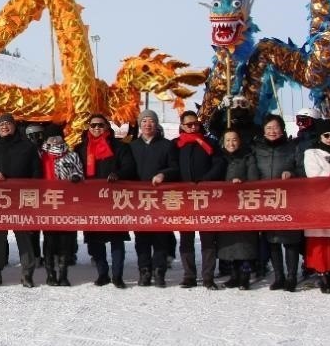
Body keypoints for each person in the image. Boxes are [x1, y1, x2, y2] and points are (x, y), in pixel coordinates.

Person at [76, 114, 136, 288]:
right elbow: (74, 167)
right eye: (93, 125)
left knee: (116, 239)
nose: (97, 128)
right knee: (95, 240)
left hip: (114, 200)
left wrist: (119, 175)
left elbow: (129, 167)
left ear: (107, 128)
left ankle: (118, 275)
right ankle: (102, 273)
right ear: (88, 127)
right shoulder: (81, 148)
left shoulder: (120, 147)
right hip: (91, 201)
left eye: (100, 125)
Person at [246, 114, 303, 292]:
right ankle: (279, 276)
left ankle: (292, 276)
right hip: (266, 200)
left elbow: (301, 168)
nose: (272, 131)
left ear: (282, 129)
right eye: (269, 128)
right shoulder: (256, 148)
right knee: (272, 240)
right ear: (263, 130)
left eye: (276, 128)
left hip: (288, 199)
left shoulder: (292, 147)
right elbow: (251, 168)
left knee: (291, 240)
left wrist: (291, 173)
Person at [0, 113, 44, 287]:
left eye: (8, 124)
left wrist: (33, 193)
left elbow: (36, 172)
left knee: (24, 236)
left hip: (21, 199)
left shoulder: (27, 147)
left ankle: (27, 273)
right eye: (1, 124)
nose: (4, 126)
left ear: (14, 126)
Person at [174, 110, 226, 288]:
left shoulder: (209, 142)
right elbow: (171, 166)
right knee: (186, 239)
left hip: (206, 197)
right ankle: (189, 275)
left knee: (208, 239)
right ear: (182, 126)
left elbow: (219, 163)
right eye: (189, 124)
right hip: (183, 199)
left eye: (195, 123)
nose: (193, 127)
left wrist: (206, 180)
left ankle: (208, 276)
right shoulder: (176, 145)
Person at [127, 109, 179, 287]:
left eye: (151, 121)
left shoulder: (167, 145)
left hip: (160, 199)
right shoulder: (132, 146)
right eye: (144, 121)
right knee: (142, 238)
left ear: (156, 125)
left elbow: (175, 168)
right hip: (139, 200)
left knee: (161, 236)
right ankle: (144, 271)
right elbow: (128, 171)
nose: (147, 124)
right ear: (140, 125)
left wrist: (163, 175)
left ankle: (159, 271)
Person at [303, 120, 330, 294]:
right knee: (321, 240)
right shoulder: (312, 152)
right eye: (326, 135)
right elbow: (313, 175)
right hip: (319, 202)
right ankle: (323, 275)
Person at [39, 132, 84, 286]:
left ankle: (63, 274)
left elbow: (80, 172)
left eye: (57, 140)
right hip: (46, 203)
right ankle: (50, 274)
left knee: (65, 240)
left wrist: (76, 178)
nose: (54, 142)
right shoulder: (41, 155)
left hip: (67, 203)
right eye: (51, 140)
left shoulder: (72, 155)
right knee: (49, 240)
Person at [218, 128, 260, 290]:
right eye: (228, 140)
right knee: (230, 243)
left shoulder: (247, 156)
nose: (231, 143)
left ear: (240, 141)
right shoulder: (220, 157)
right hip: (226, 206)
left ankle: (245, 276)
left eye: (234, 139)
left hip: (244, 205)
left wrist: (241, 181)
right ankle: (234, 275)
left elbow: (254, 178)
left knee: (245, 243)